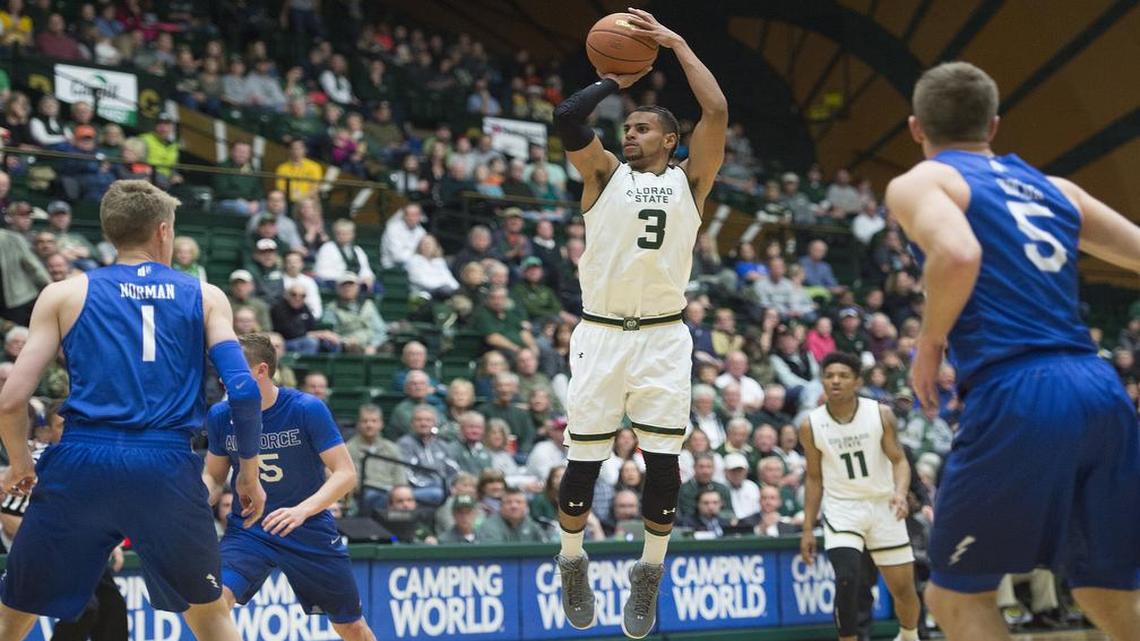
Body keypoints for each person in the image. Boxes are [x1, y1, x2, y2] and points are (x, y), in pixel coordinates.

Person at [885, 61, 1140, 641]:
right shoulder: (1058, 189)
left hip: (1020, 389)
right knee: (1106, 589)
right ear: (993, 126)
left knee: (954, 597)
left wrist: (929, 341)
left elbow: (956, 252)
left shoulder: (923, 182)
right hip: (1098, 386)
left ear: (916, 129)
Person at [0, 180, 265, 641]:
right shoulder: (205, 296)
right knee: (210, 619)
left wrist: (21, 462)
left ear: (109, 231)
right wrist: (248, 473)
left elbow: (10, 400)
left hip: (82, 461)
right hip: (164, 465)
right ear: (164, 231)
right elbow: (242, 392)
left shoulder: (63, 294)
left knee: (12, 618)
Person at [550, 8, 727, 637]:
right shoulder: (602, 176)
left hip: (662, 337)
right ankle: (572, 560)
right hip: (599, 333)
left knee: (663, 466)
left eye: (643, 127)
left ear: (670, 141)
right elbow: (568, 119)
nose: (630, 133)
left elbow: (717, 113)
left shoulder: (691, 182)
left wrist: (677, 45)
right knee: (583, 466)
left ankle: (648, 573)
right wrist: (610, 82)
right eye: (627, 127)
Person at [202, 334, 373, 641]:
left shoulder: (306, 408)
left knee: (350, 626)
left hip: (307, 528)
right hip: (249, 529)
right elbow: (214, 477)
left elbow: (346, 474)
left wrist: (301, 511)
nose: (223, 377)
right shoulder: (219, 415)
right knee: (215, 603)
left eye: (232, 369)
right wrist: (196, 499)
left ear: (261, 371)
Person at [799, 352, 921, 641]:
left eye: (842, 376)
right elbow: (814, 478)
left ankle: (909, 634)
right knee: (847, 578)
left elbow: (899, 460)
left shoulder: (880, 414)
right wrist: (807, 528)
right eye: (829, 376)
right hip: (842, 509)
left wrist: (901, 494)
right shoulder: (810, 424)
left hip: (883, 506)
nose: (835, 381)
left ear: (857, 381)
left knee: (903, 589)